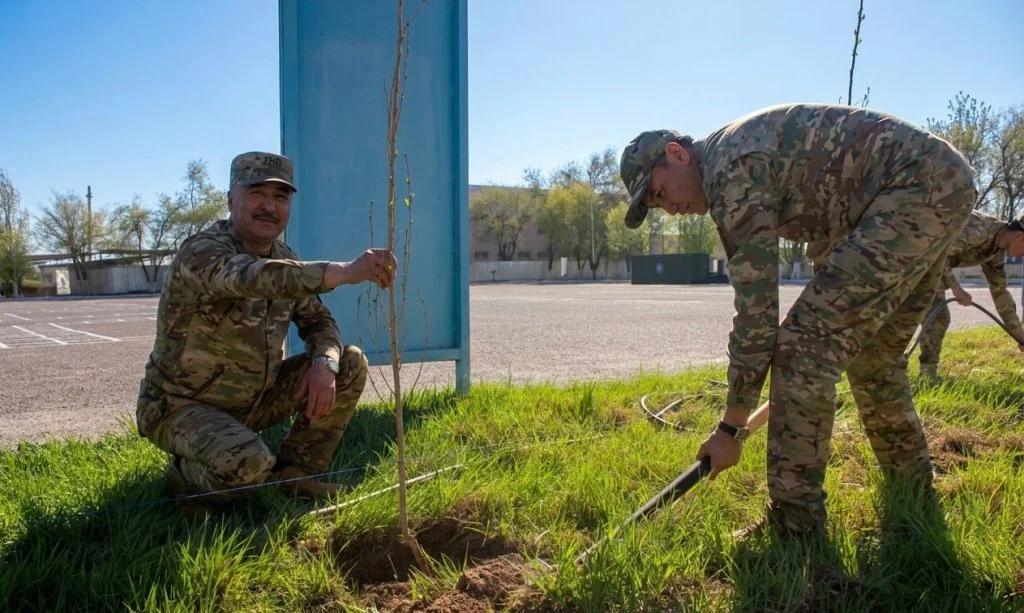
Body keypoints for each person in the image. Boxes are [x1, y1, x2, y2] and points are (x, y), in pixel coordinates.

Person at [618, 103, 977, 539]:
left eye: (658, 194)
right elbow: (831, 194)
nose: (669, 210)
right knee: (874, 360)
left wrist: (731, 426)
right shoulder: (735, 155)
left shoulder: (731, 169)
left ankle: (794, 526)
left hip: (915, 189)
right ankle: (914, 492)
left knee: (801, 350)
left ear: (676, 154)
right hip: (940, 184)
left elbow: (757, 312)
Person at [136, 151, 397, 516]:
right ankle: (187, 479)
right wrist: (344, 271)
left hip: (252, 402)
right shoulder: (203, 251)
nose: (269, 207)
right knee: (250, 465)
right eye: (257, 193)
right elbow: (252, 277)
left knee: (348, 362)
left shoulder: (284, 256)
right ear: (231, 199)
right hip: (181, 406)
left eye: (280, 197)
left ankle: (295, 474)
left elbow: (319, 322)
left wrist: (324, 361)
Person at [809, 209, 1024, 379]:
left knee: (938, 318)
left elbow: (1001, 294)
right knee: (869, 314)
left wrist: (1020, 337)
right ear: (1019, 236)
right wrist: (956, 288)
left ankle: (925, 374)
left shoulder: (996, 252)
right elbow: (938, 250)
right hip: (902, 257)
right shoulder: (978, 229)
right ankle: (852, 366)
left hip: (927, 269)